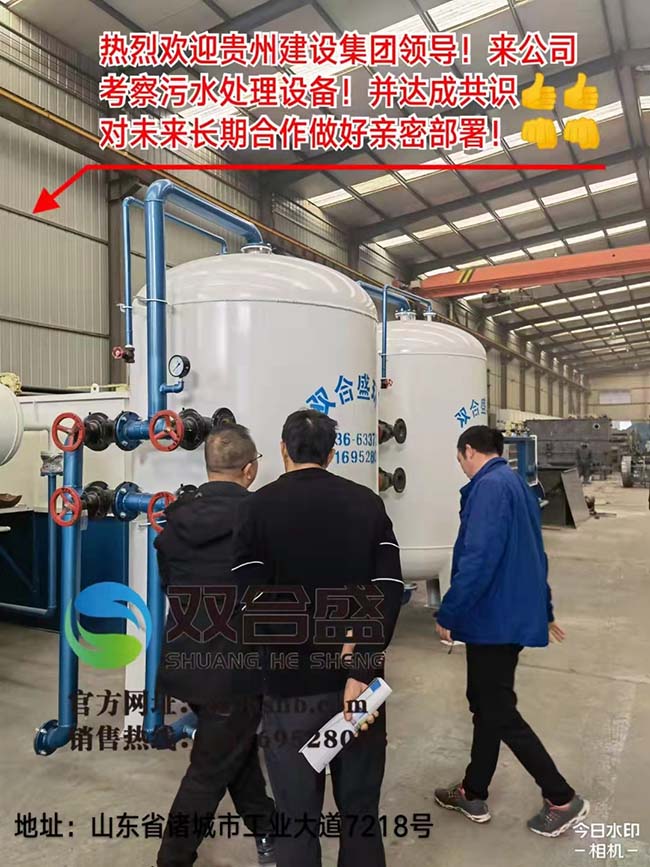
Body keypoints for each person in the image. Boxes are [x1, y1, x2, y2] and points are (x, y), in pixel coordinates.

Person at [230, 408, 404, 867]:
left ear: (283, 449)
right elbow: (389, 589)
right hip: (359, 691)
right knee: (360, 814)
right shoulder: (367, 504)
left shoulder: (256, 508)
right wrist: (359, 665)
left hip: (290, 690)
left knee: (296, 818)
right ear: (331, 454)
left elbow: (250, 600)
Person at [434, 425, 589, 838]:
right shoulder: (517, 483)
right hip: (508, 616)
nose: (461, 466)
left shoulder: (488, 488)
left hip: (494, 619)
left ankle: (561, 797)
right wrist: (544, 608)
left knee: (498, 710)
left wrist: (449, 612)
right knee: (485, 704)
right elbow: (535, 553)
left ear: (469, 451)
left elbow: (478, 559)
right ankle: (473, 791)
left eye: (459, 459)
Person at [155, 424, 276, 867]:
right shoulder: (262, 520)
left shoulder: (176, 518)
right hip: (234, 670)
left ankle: (267, 829)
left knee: (232, 750)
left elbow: (169, 584)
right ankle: (172, 858)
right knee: (208, 772)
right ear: (250, 469)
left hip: (186, 660)